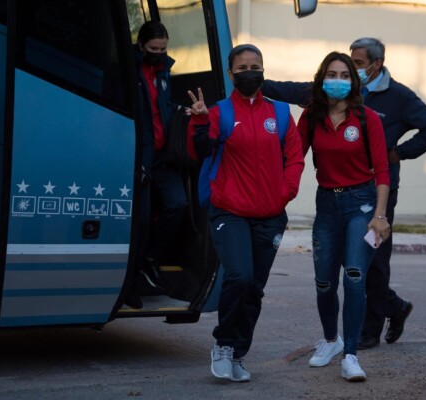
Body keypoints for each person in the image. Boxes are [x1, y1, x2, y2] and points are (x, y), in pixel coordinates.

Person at [262, 37, 426, 349]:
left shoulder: (398, 97)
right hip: (333, 192)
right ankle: (394, 306)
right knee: (349, 261)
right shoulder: (329, 91)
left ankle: (369, 331)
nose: (347, 74)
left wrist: (397, 153)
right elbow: (290, 90)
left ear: (376, 64)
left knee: (373, 262)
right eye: (348, 64)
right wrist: (254, 80)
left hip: (378, 191)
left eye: (357, 65)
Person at [186, 44, 304, 382]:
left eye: (255, 67)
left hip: (270, 214)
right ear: (230, 73)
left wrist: (285, 192)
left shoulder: (281, 113)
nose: (249, 73)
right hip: (230, 211)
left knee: (254, 288)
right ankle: (224, 345)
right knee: (239, 276)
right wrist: (199, 121)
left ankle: (238, 353)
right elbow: (198, 151)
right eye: (242, 68)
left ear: (263, 70)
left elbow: (295, 158)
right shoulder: (219, 112)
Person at [297, 51, 390, 381]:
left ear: (354, 81)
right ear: (322, 79)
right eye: (332, 75)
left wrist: (380, 215)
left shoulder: (367, 118)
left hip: (361, 204)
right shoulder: (311, 117)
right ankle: (330, 341)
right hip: (326, 204)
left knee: (354, 276)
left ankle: (350, 354)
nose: (338, 81)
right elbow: (293, 158)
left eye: (345, 75)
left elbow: (382, 170)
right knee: (324, 282)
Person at [125, 21, 188, 309]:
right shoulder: (127, 71)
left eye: (163, 49)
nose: (159, 53)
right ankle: (130, 284)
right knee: (139, 221)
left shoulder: (164, 71)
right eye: (153, 49)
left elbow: (162, 108)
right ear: (141, 45)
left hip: (163, 156)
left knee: (178, 204)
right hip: (141, 155)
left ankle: (149, 258)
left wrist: (182, 111)